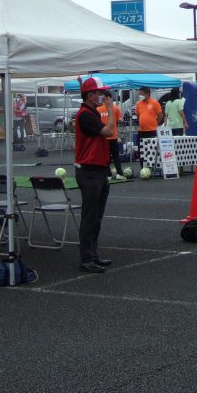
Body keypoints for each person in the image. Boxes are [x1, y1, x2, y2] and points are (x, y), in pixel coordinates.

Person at [74, 76, 117, 273]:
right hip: (90, 171)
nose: (103, 96)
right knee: (90, 216)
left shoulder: (90, 112)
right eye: (100, 93)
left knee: (96, 217)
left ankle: (93, 254)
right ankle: (87, 258)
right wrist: (110, 110)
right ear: (91, 95)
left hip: (97, 170)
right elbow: (108, 131)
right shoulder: (85, 115)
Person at [97, 90, 126, 180]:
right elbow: (118, 121)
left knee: (106, 156)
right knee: (115, 156)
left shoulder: (99, 109)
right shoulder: (114, 108)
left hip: (106, 136)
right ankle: (118, 173)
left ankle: (108, 174)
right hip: (111, 136)